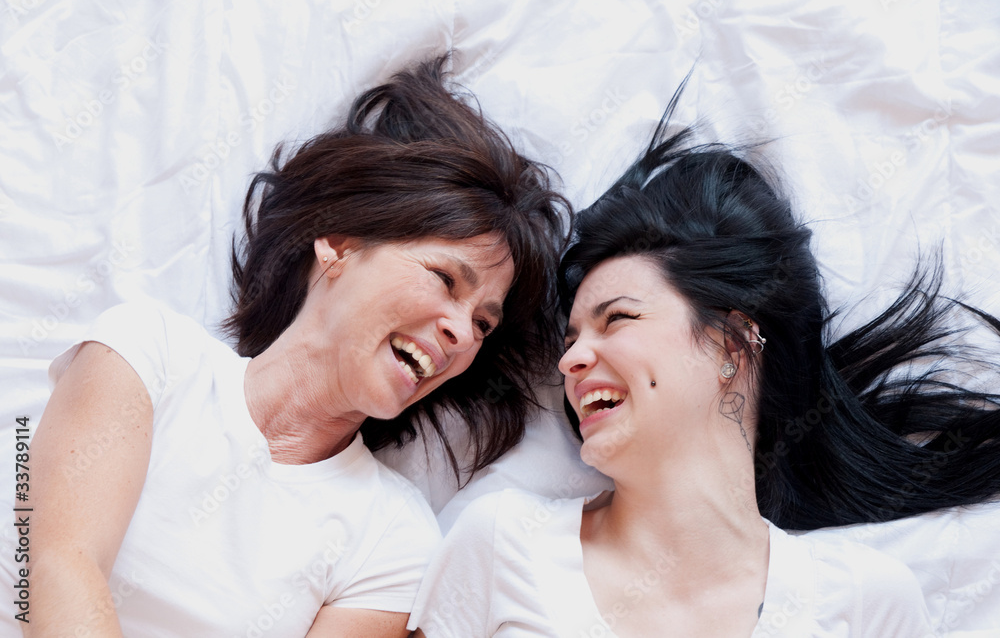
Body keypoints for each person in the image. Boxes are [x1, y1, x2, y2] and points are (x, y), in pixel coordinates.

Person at [408, 89, 1000, 636]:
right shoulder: (504, 543)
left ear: (733, 344)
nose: (571, 361)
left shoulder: (864, 598)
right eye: (570, 339)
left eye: (618, 319)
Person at [14, 57, 570, 637]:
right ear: (339, 244)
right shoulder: (151, 357)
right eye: (445, 278)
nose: (462, 333)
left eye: (483, 323)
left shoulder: (394, 541)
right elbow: (60, 568)